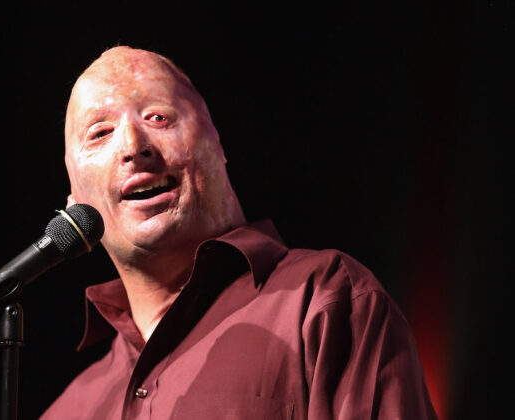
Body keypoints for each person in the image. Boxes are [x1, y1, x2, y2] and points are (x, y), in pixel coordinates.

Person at [40, 46, 437, 419]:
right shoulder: (70, 409)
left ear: (218, 144)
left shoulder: (326, 299)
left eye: (158, 118)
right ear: (76, 200)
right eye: (99, 133)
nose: (132, 145)